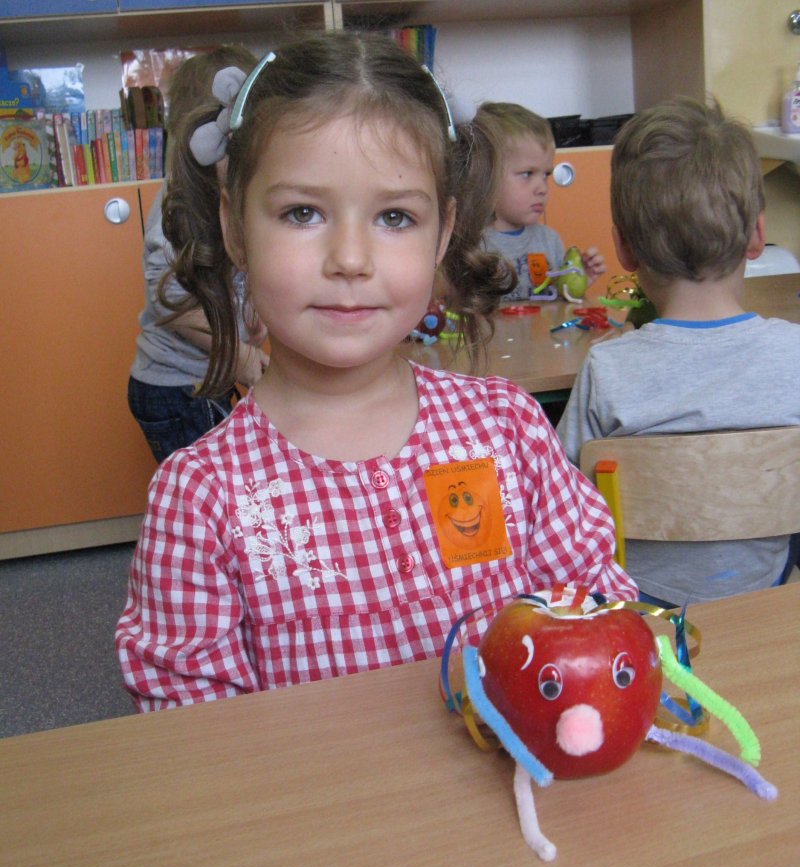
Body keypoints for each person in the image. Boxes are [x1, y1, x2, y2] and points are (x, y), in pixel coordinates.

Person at [116, 32, 637, 712]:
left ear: (442, 233)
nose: (351, 259)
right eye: (302, 213)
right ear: (236, 227)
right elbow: (189, 727)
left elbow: (596, 606)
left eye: (395, 216)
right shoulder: (200, 497)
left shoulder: (506, 429)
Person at [556, 96, 800, 607]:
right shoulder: (793, 353)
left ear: (624, 247)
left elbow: (563, 504)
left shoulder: (607, 370)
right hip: (768, 591)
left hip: (641, 604)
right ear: (758, 235)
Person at [128, 45, 269, 463]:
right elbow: (171, 300)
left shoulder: (224, 193)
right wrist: (239, 353)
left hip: (202, 380)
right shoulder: (182, 206)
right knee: (208, 484)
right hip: (177, 389)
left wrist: (252, 314)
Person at [476, 102, 606, 301]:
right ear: (486, 177)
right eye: (527, 174)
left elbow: (558, 307)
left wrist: (577, 284)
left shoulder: (549, 241)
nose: (542, 188)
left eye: (546, 175)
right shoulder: (474, 247)